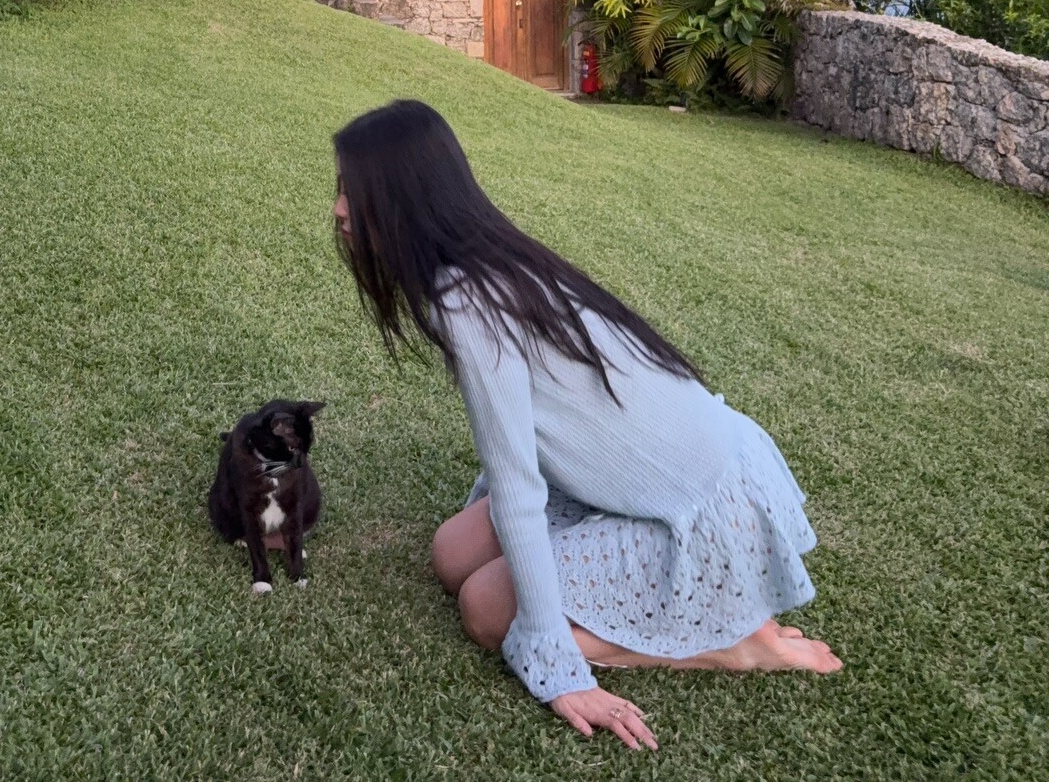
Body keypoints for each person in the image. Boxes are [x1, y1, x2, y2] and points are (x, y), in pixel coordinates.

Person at [331, 100, 841, 752]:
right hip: (664, 474)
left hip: (700, 510)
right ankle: (712, 624)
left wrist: (556, 665)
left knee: (484, 609)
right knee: (450, 552)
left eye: (355, 192)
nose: (340, 209)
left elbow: (517, 487)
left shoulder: (468, 302)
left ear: (404, 198)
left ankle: (733, 644)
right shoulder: (484, 264)